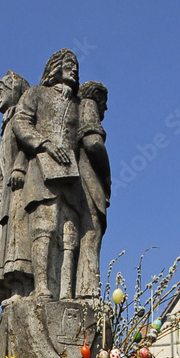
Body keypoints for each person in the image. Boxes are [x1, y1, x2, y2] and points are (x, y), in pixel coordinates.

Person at [12, 48, 87, 301]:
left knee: (69, 234)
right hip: (42, 172)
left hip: (71, 179)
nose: (74, 69)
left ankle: (67, 291)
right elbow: (21, 123)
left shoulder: (78, 105)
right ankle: (43, 286)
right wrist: (44, 144)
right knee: (44, 227)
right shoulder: (36, 94)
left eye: (76, 65)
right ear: (55, 67)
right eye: (69, 63)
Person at [0, 71, 33, 304]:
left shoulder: (22, 116)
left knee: (19, 241)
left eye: (1, 90)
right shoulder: (6, 123)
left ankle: (22, 286)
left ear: (15, 90)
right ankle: (10, 288)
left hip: (20, 188)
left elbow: (29, 146)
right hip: (6, 192)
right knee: (8, 240)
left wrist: (21, 167)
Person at [76, 81, 110, 299]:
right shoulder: (88, 106)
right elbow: (93, 142)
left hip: (75, 179)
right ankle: (87, 288)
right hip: (87, 177)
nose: (105, 109)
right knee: (91, 229)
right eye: (104, 103)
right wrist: (107, 176)